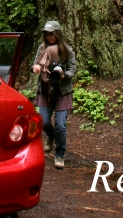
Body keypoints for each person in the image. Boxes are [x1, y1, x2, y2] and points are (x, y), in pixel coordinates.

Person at [32, 21, 76, 169]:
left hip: (62, 92)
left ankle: (59, 154)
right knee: (44, 122)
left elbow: (72, 70)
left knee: (60, 125)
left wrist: (64, 75)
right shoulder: (42, 49)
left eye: (52, 34)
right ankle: (51, 136)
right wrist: (36, 68)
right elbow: (36, 64)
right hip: (45, 90)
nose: (49, 37)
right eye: (47, 34)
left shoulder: (67, 50)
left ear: (58, 34)